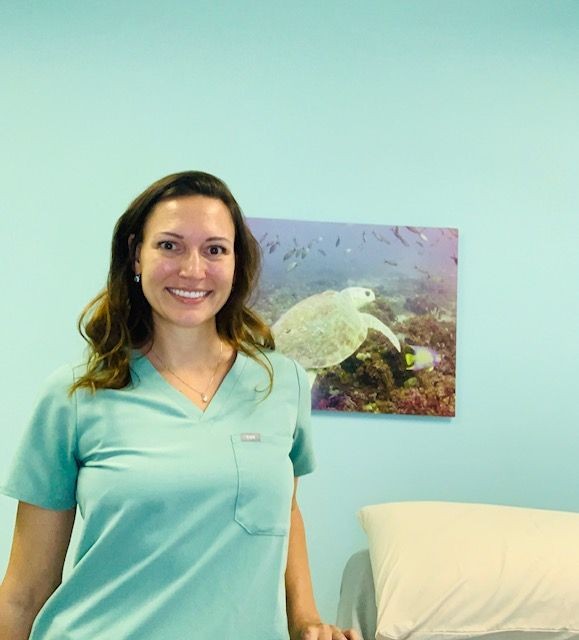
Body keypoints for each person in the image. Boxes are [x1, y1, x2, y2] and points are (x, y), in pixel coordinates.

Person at [0, 171, 359, 640]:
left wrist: (306, 619)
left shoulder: (281, 383)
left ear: (236, 263)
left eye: (215, 249)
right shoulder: (74, 395)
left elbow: (282, 508)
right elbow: (23, 593)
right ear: (136, 255)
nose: (193, 269)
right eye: (169, 246)